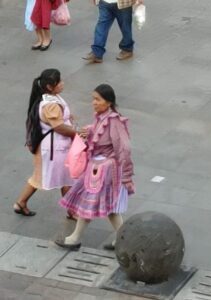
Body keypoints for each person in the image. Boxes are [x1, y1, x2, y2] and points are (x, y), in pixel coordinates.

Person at [55, 84, 134, 250]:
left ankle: (75, 238)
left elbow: (124, 148)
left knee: (89, 204)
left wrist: (126, 174)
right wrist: (89, 132)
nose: (94, 102)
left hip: (105, 172)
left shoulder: (114, 121)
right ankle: (123, 239)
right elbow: (99, 134)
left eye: (98, 99)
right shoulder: (102, 118)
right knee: (108, 208)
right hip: (97, 170)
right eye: (93, 99)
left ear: (109, 102)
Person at [13, 68, 81, 216]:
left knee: (41, 177)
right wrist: (79, 133)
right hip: (54, 149)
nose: (62, 84)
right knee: (67, 178)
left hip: (53, 148)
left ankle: (21, 203)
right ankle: (72, 211)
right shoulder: (50, 104)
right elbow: (59, 127)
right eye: (59, 82)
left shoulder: (49, 98)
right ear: (50, 87)